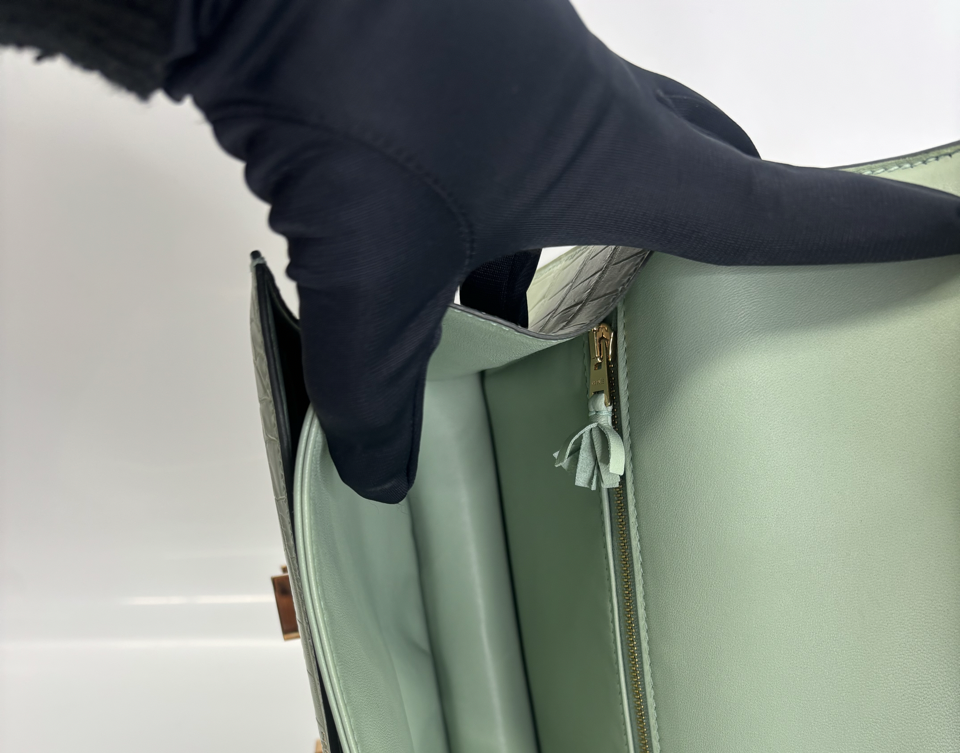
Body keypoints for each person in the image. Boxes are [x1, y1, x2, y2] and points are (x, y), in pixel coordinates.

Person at [5, 0, 960, 502]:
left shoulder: (368, 180)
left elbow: (374, 463)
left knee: (372, 447)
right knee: (736, 191)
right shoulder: (371, 169)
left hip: (380, 116)